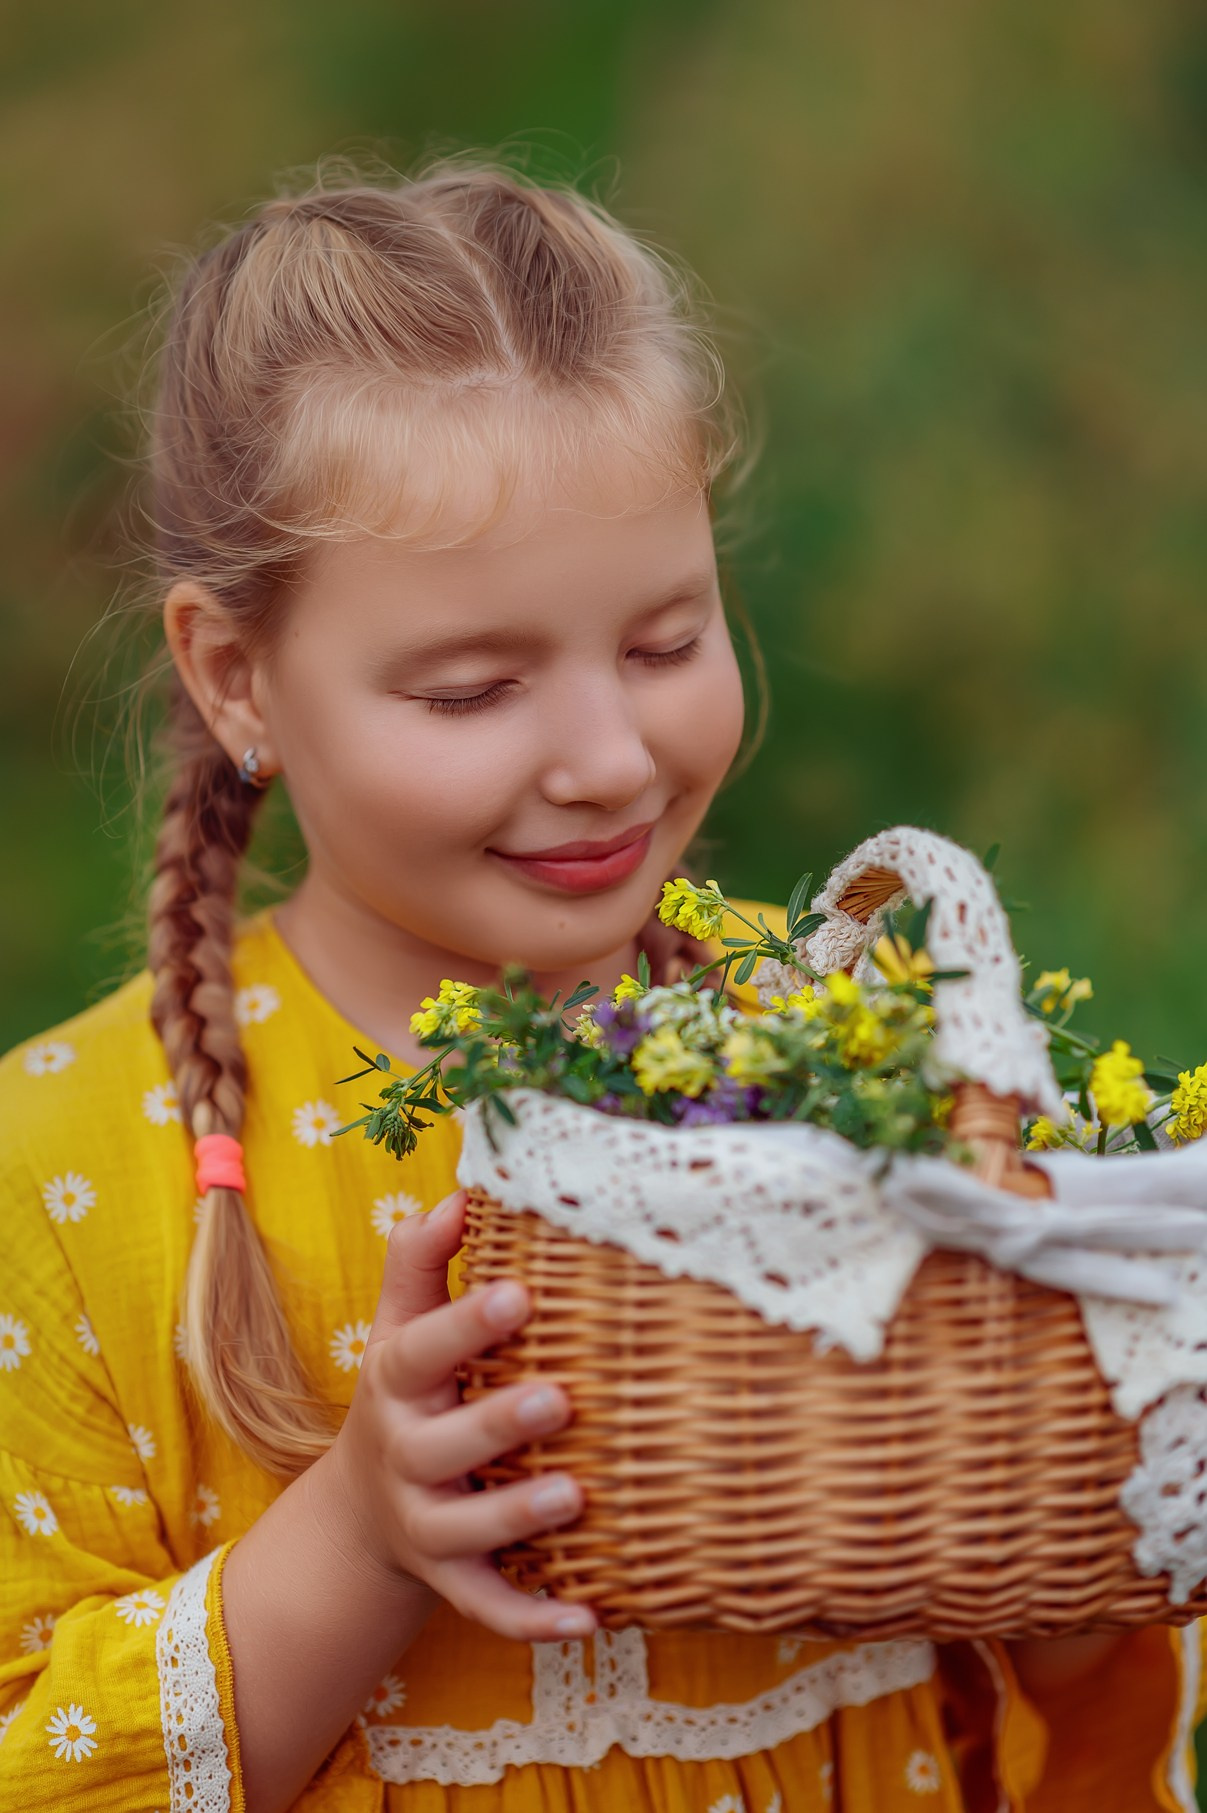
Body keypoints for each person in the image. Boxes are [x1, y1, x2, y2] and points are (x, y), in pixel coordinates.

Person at [0, 158, 1201, 1813]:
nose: (612, 757)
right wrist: (360, 1532)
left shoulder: (857, 1054)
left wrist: (1076, 1541)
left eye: (663, 643)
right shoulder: (67, 1173)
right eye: (475, 685)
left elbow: (1060, 1710)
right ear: (235, 675)